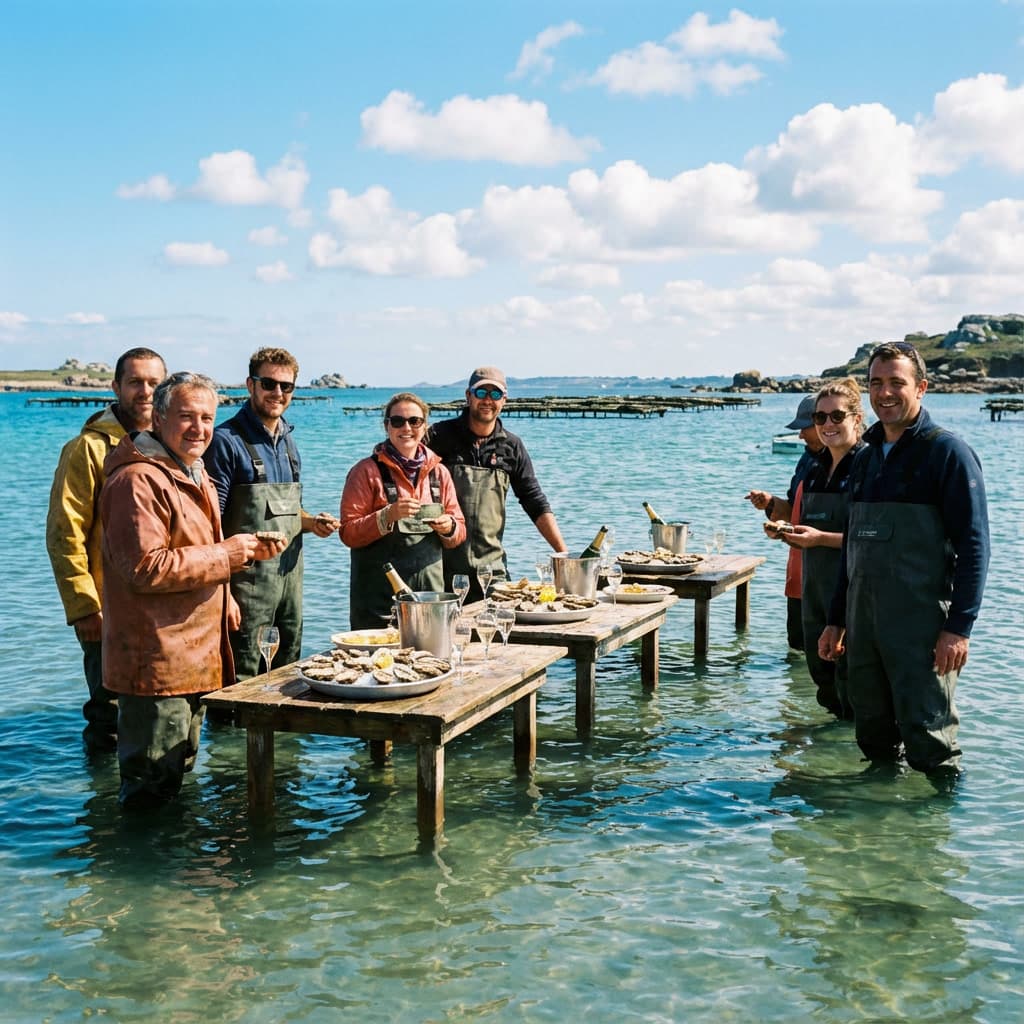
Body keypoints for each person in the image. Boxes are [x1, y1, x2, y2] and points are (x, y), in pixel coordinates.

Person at [100, 372, 285, 808]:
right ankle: (139, 872)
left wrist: (229, 593)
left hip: (191, 656)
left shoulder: (193, 471)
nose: (199, 429)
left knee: (176, 779)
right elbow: (146, 568)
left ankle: (169, 872)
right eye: (186, 416)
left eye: (207, 418)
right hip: (156, 664)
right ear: (158, 418)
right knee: (151, 794)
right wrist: (229, 553)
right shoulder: (137, 481)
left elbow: (194, 550)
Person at [819, 342, 990, 778]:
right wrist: (837, 619)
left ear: (922, 388)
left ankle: (931, 834)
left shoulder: (946, 453)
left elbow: (975, 546)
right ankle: (878, 832)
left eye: (898, 382)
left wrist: (958, 629)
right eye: (877, 383)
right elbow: (853, 549)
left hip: (920, 628)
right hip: (864, 627)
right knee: (872, 733)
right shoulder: (867, 456)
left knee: (930, 742)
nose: (886, 393)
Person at [46, 347, 167, 753]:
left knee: (156, 712)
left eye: (154, 383)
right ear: (116, 387)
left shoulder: (169, 446)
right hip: (106, 610)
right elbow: (65, 533)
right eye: (135, 382)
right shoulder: (87, 449)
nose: (145, 391)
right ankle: (102, 808)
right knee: (108, 712)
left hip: (156, 607)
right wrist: (83, 607)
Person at [205, 347, 339, 677]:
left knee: (288, 675)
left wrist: (311, 523)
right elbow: (210, 527)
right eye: (269, 383)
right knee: (240, 683)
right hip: (245, 590)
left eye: (286, 386)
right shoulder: (225, 441)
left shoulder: (288, 441)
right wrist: (224, 597)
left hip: (289, 587)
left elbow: (286, 512)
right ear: (250, 385)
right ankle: (230, 733)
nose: (277, 393)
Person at [426, 366, 566, 601]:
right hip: (440, 568)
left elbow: (534, 500)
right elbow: (405, 472)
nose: (487, 401)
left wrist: (563, 554)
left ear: (505, 400)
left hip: (491, 569)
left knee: (500, 627)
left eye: (495, 394)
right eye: (481, 393)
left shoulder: (511, 446)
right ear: (468, 396)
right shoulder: (438, 436)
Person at [773, 380, 864, 720]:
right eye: (820, 418)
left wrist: (820, 539)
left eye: (836, 416)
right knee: (824, 682)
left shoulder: (869, 465)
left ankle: (859, 764)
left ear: (856, 418)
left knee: (855, 687)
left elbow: (873, 541)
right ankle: (830, 759)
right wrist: (789, 531)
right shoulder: (813, 469)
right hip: (813, 592)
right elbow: (804, 521)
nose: (827, 425)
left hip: (854, 596)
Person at [340, 393, 466, 628]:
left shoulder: (439, 473)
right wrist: (387, 516)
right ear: (386, 426)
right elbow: (348, 533)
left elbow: (459, 531)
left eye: (414, 421)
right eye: (397, 421)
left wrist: (449, 527)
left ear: (424, 426)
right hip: (378, 611)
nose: (406, 427)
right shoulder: (365, 472)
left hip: (430, 604)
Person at [744, 395, 825, 650]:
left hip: (828, 581)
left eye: (805, 428)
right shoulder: (806, 460)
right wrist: (769, 503)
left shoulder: (856, 462)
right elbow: (793, 513)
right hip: (799, 576)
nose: (800, 436)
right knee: (799, 649)